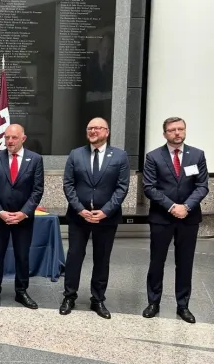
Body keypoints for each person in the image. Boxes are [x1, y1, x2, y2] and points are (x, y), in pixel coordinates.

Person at [61, 117, 130, 319]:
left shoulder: (119, 156)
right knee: (74, 257)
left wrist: (106, 211)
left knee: (102, 258)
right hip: (78, 217)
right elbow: (68, 184)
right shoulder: (76, 154)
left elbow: (122, 187)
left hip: (106, 218)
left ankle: (97, 299)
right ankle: (69, 296)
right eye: (90, 128)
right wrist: (80, 209)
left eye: (98, 128)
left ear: (107, 131)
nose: (93, 131)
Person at [142, 117, 209, 324]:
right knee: (157, 262)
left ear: (185, 131)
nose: (177, 133)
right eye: (172, 130)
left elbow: (202, 186)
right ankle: (153, 302)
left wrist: (186, 207)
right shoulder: (153, 157)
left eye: (180, 129)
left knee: (185, 262)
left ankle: (183, 306)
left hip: (188, 218)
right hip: (162, 217)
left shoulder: (197, 155)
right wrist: (172, 207)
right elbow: (149, 187)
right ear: (165, 134)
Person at [0, 124, 44, 310]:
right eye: (7, 137)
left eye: (14, 138)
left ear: (23, 139)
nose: (10, 141)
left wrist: (23, 213)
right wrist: (0, 212)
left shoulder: (35, 159)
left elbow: (37, 190)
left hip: (23, 219)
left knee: (22, 256)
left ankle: (21, 291)